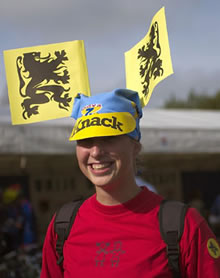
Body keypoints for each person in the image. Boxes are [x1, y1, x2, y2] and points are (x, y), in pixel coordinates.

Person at [40, 89, 220, 277]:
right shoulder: (62, 226)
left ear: (135, 147)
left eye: (109, 138)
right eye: (85, 140)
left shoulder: (184, 225)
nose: (95, 152)